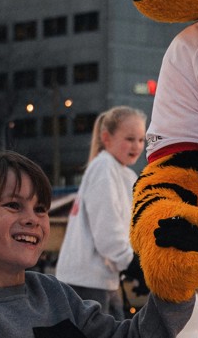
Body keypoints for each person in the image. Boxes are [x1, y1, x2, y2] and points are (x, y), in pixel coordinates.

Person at [0, 152, 194, 337]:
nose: (33, 219)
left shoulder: (55, 295)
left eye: (41, 209)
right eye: (13, 205)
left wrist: (173, 281)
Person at [55, 106, 148, 319]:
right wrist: (132, 264)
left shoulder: (125, 175)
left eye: (141, 140)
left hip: (102, 278)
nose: (137, 146)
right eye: (130, 139)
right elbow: (107, 230)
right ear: (106, 138)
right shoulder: (103, 167)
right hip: (86, 281)